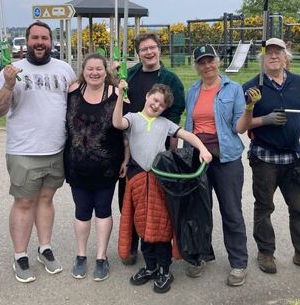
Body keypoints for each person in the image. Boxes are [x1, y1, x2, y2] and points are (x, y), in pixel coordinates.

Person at [0, 21, 76, 283]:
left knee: (46, 200)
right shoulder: (12, 71)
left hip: (56, 148)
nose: (40, 42)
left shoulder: (64, 69)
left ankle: (44, 248)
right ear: (27, 41)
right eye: (35, 37)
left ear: (51, 41)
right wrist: (8, 85)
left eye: (45, 38)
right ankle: (20, 255)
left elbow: (77, 102)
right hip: (24, 150)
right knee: (24, 202)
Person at [242, 38, 300, 277]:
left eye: (278, 52)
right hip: (264, 158)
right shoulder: (253, 87)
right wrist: (266, 119)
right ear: (263, 58)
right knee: (264, 207)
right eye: (269, 52)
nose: (273, 56)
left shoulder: (297, 82)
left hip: (293, 156)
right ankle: (265, 252)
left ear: (285, 57)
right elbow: (242, 124)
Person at [113, 82, 212, 294]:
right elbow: (117, 123)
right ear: (147, 96)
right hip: (138, 180)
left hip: (159, 181)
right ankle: (150, 267)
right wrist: (120, 95)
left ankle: (164, 269)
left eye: (161, 104)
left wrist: (202, 149)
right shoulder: (132, 119)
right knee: (142, 225)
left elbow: (188, 136)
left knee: (161, 226)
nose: (156, 105)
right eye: (154, 99)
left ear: (165, 108)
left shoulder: (165, 123)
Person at [183, 44, 261, 287]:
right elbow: (189, 125)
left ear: (218, 61)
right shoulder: (193, 90)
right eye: (202, 62)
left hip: (226, 158)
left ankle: (238, 263)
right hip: (198, 157)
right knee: (199, 211)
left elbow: (239, 127)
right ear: (196, 66)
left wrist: (249, 109)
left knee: (231, 211)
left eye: (210, 60)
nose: (207, 66)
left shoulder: (233, 88)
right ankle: (200, 256)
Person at [116, 32, 185, 265]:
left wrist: (172, 154)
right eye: (143, 49)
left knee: (156, 205)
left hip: (157, 152)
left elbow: (175, 118)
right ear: (138, 53)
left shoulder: (171, 79)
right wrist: (113, 74)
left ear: (159, 49)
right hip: (131, 144)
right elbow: (117, 98)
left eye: (152, 47)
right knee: (129, 198)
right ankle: (134, 245)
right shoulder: (131, 75)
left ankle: (159, 248)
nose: (148, 52)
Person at [64, 53, 126, 282]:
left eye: (99, 69)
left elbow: (125, 129)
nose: (94, 73)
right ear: (83, 71)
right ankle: (81, 255)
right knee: (81, 212)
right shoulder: (72, 92)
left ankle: (101, 257)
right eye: (90, 69)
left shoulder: (116, 94)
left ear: (105, 71)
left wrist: (126, 159)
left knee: (103, 210)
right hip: (77, 164)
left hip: (107, 166)